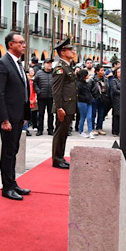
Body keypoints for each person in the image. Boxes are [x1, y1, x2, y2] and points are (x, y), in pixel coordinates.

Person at [0, 32, 31, 200]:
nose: (24, 45)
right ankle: (7, 187)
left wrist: (24, 114)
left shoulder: (17, 63)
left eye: (24, 42)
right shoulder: (2, 64)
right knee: (8, 152)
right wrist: (4, 119)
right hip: (8, 116)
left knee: (13, 150)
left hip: (18, 114)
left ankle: (12, 182)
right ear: (10, 45)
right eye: (20, 42)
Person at [52, 39, 77, 169]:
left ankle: (60, 157)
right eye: (70, 49)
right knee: (60, 132)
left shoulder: (67, 66)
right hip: (64, 106)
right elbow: (57, 90)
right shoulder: (60, 68)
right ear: (62, 52)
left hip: (69, 105)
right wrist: (59, 107)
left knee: (64, 132)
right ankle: (57, 159)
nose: (73, 51)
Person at [33, 58, 54, 136]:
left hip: (51, 97)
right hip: (41, 97)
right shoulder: (39, 73)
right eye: (47, 63)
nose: (49, 65)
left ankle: (51, 129)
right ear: (44, 64)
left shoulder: (54, 73)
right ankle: (40, 129)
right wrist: (38, 91)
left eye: (50, 63)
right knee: (41, 114)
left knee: (51, 114)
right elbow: (35, 83)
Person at [77, 69, 94, 138]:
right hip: (82, 102)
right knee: (83, 117)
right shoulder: (78, 84)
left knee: (89, 117)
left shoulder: (85, 83)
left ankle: (90, 131)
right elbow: (78, 94)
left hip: (88, 101)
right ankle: (81, 131)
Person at [110, 67, 121, 137]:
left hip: (123, 100)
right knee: (116, 115)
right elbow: (115, 89)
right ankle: (115, 131)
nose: (120, 73)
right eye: (119, 72)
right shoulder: (114, 80)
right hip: (117, 99)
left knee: (122, 116)